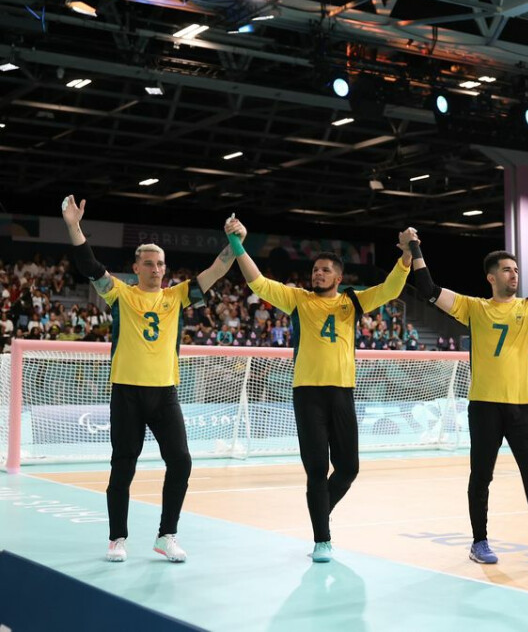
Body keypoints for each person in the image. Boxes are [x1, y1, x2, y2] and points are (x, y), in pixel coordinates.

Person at [407, 236, 528, 566]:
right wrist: (415, 248)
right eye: (506, 270)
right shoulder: (473, 307)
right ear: (491, 277)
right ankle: (479, 542)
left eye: (516, 270)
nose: (513, 275)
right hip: (484, 406)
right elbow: (427, 288)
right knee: (481, 477)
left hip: (521, 407)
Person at [225, 216, 414, 563]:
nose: (318, 274)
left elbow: (390, 289)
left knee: (349, 468)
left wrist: (406, 255)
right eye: (315, 269)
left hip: (342, 393)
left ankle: (319, 511)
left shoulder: (352, 302)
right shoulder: (298, 300)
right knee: (316, 469)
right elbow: (258, 283)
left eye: (325, 270)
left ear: (338, 278)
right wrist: (237, 243)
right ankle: (321, 539)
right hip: (308, 394)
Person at [62, 195, 239, 563]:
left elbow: (217, 269)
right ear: (136, 267)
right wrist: (73, 227)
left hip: (165, 395)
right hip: (127, 393)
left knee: (181, 461)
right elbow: (89, 265)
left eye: (160, 263)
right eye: (149, 263)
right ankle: (117, 538)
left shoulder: (178, 295)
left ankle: (166, 535)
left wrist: (235, 240)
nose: (157, 269)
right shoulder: (120, 295)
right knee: (123, 465)